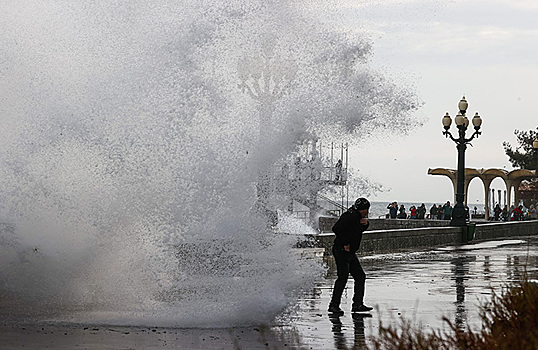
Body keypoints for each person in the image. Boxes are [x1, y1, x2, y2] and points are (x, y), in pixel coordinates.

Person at [328, 197, 373, 315]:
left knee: (360, 276)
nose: (367, 212)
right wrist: (345, 243)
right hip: (341, 251)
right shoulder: (349, 216)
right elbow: (336, 228)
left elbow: (356, 231)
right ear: (363, 209)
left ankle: (357, 304)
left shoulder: (357, 217)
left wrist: (366, 224)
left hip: (350, 253)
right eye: (366, 210)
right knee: (342, 277)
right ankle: (333, 305)